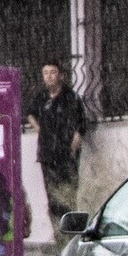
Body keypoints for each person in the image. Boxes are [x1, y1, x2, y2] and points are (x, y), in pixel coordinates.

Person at [26, 61, 89, 221]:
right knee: (52, 195)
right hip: (47, 153)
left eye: (53, 72)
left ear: (61, 75)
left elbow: (82, 122)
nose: (49, 76)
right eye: (45, 73)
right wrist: (39, 128)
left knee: (68, 193)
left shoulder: (70, 97)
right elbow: (30, 113)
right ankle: (57, 234)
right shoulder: (41, 97)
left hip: (66, 153)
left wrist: (76, 137)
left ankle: (69, 229)